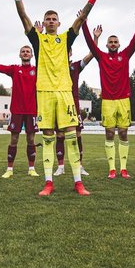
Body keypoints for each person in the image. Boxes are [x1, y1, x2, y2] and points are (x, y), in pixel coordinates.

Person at [5, 0, 108, 196]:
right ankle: (49, 182)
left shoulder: (66, 38)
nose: (51, 21)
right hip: (44, 92)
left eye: (54, 19)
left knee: (71, 137)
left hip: (64, 92)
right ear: (44, 22)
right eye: (47, 19)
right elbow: (23, 17)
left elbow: (81, 18)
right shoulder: (38, 41)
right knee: (49, 139)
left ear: (59, 23)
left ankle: (78, 182)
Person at [81, 7, 135, 179]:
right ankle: (112, 169)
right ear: (106, 45)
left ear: (119, 45)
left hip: (124, 100)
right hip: (108, 101)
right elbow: (89, 42)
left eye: (115, 42)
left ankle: (123, 169)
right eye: (110, 42)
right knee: (109, 133)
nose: (113, 44)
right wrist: (84, 23)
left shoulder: (125, 55)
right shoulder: (101, 57)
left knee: (123, 133)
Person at [0, 45, 40, 179]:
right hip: (16, 110)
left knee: (31, 139)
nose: (25, 53)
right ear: (20, 55)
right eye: (23, 51)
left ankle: (31, 168)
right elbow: (2, 68)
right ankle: (9, 169)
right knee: (14, 139)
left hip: (32, 111)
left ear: (32, 55)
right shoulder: (15, 69)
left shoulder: (37, 70)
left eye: (28, 52)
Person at [55, 42, 94, 177]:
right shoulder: (54, 66)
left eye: (67, 51)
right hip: (58, 105)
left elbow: (91, 54)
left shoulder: (76, 66)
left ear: (70, 53)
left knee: (77, 136)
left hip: (74, 106)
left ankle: (80, 165)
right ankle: (61, 166)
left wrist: (95, 38)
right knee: (59, 136)